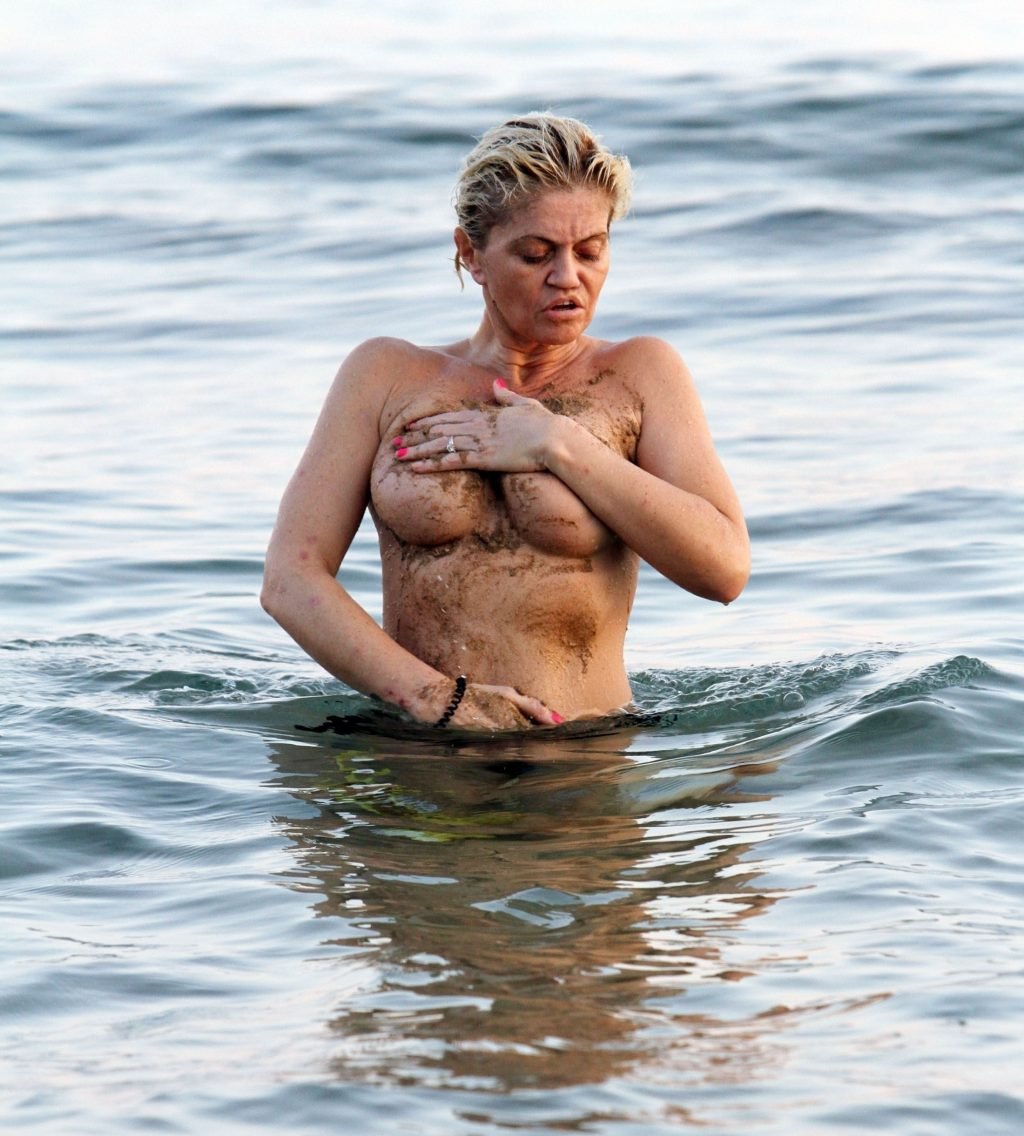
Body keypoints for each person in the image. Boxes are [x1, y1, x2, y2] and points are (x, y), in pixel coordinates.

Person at [261, 113, 750, 731]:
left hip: (582, 748)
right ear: (470, 254)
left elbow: (724, 571)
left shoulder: (640, 375)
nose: (568, 277)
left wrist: (559, 445)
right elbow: (289, 579)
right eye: (535, 254)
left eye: (590, 251)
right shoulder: (384, 375)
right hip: (421, 745)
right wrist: (437, 698)